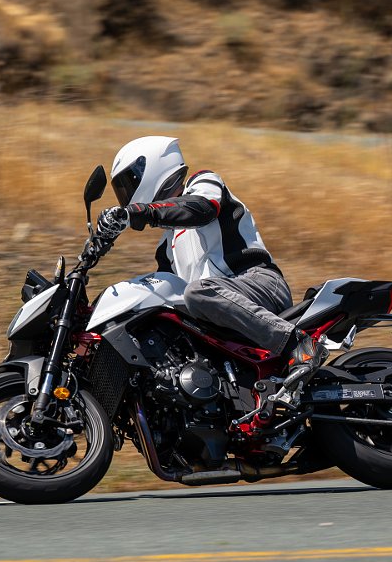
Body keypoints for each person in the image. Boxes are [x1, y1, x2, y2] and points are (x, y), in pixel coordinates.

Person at [96, 135, 322, 386]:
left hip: (260, 283)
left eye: (128, 183)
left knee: (198, 292)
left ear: (153, 166)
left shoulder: (204, 182)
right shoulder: (166, 245)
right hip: (218, 312)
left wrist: (139, 211)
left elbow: (203, 208)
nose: (127, 195)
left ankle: (296, 343)